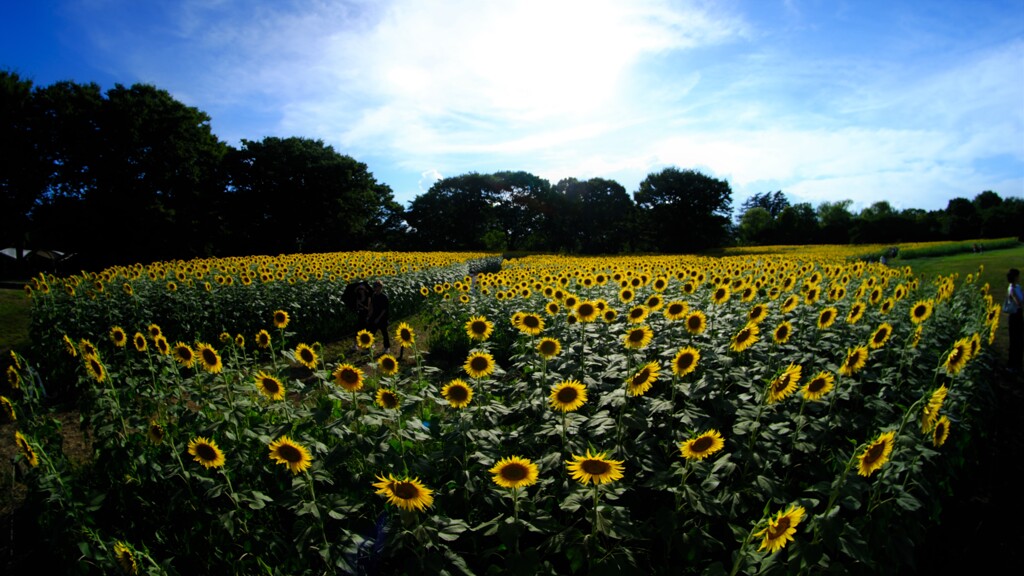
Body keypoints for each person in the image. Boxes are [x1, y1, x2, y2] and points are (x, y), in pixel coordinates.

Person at [1007, 268, 1023, 374]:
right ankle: (1012, 365)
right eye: (1018, 276)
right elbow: (1018, 302)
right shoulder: (1012, 289)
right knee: (1014, 341)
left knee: (1019, 341)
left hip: (1019, 315)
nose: (1019, 277)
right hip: (1014, 316)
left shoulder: (1018, 287)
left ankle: (1018, 364)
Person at [368, 280, 391, 353]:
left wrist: (378, 318)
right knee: (371, 332)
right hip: (374, 317)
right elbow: (372, 306)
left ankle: (387, 347)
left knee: (384, 333)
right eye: (374, 286)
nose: (374, 288)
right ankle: (370, 346)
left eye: (376, 286)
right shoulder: (374, 296)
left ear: (380, 287)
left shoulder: (384, 297)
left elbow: (384, 310)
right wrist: (369, 316)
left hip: (382, 318)